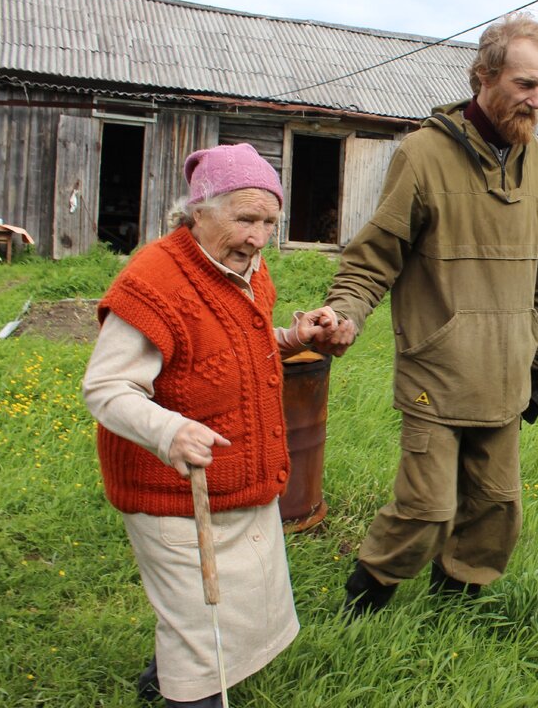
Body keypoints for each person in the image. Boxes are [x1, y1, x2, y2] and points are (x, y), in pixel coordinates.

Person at [312, 13, 538, 615]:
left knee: (496, 505)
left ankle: (456, 602)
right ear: (483, 74)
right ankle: (367, 592)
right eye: (524, 84)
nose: (535, 100)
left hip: (507, 370)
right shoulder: (422, 156)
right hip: (437, 366)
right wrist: (342, 312)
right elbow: (374, 257)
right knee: (427, 508)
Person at [83, 143, 338, 707]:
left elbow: (236, 351)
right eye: (245, 219)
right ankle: (185, 694)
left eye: (269, 221)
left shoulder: (244, 267)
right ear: (198, 211)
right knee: (201, 624)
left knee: (223, 606)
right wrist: (168, 430)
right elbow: (106, 388)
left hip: (235, 480)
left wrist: (293, 339)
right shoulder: (153, 283)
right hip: (172, 489)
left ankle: (160, 678)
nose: (257, 237)